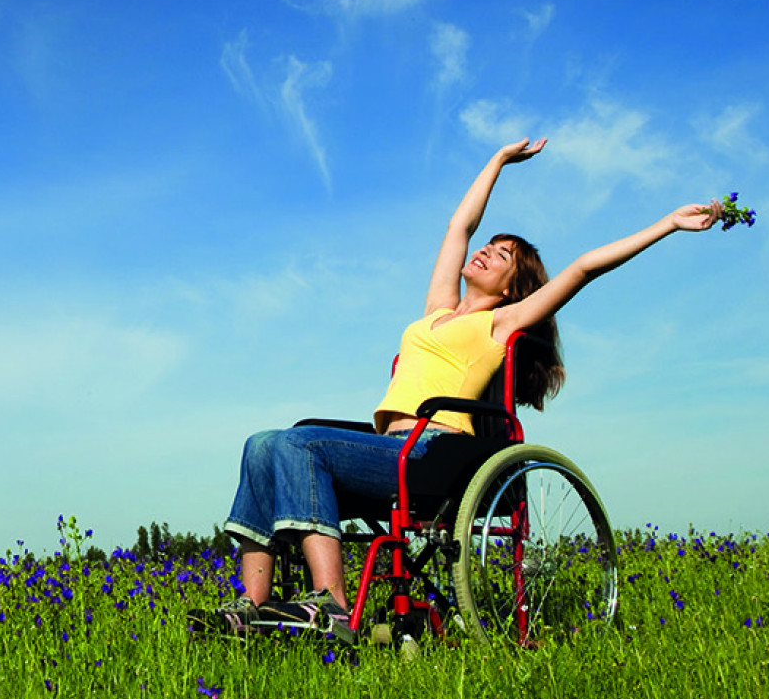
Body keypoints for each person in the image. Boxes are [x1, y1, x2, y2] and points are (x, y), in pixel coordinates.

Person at [188, 137, 720, 636]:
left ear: (512, 287)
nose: (486, 252)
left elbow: (583, 268)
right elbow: (458, 227)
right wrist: (498, 161)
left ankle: (332, 606)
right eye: (490, 245)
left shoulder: (501, 323)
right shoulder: (436, 312)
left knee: (297, 443)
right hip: (386, 449)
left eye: (502, 255)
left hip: (432, 452)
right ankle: (252, 609)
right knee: (262, 443)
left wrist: (668, 224)